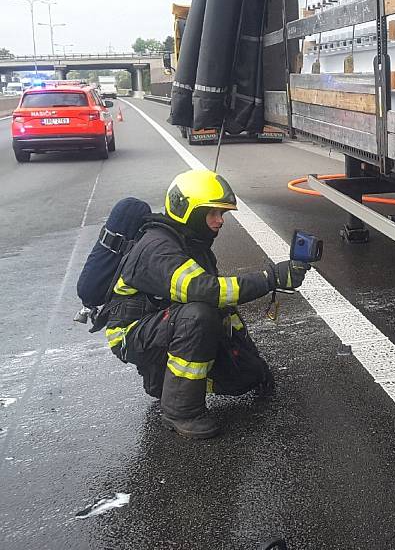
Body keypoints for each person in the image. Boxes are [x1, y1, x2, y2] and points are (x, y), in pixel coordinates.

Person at [102, 169, 308, 439]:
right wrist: (269, 279)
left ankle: (162, 382)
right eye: (212, 213)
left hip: (161, 325)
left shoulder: (191, 244)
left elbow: (224, 307)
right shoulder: (157, 248)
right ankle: (180, 411)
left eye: (221, 214)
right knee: (197, 314)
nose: (219, 221)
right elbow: (205, 291)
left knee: (243, 376)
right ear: (187, 210)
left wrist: (253, 362)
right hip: (130, 334)